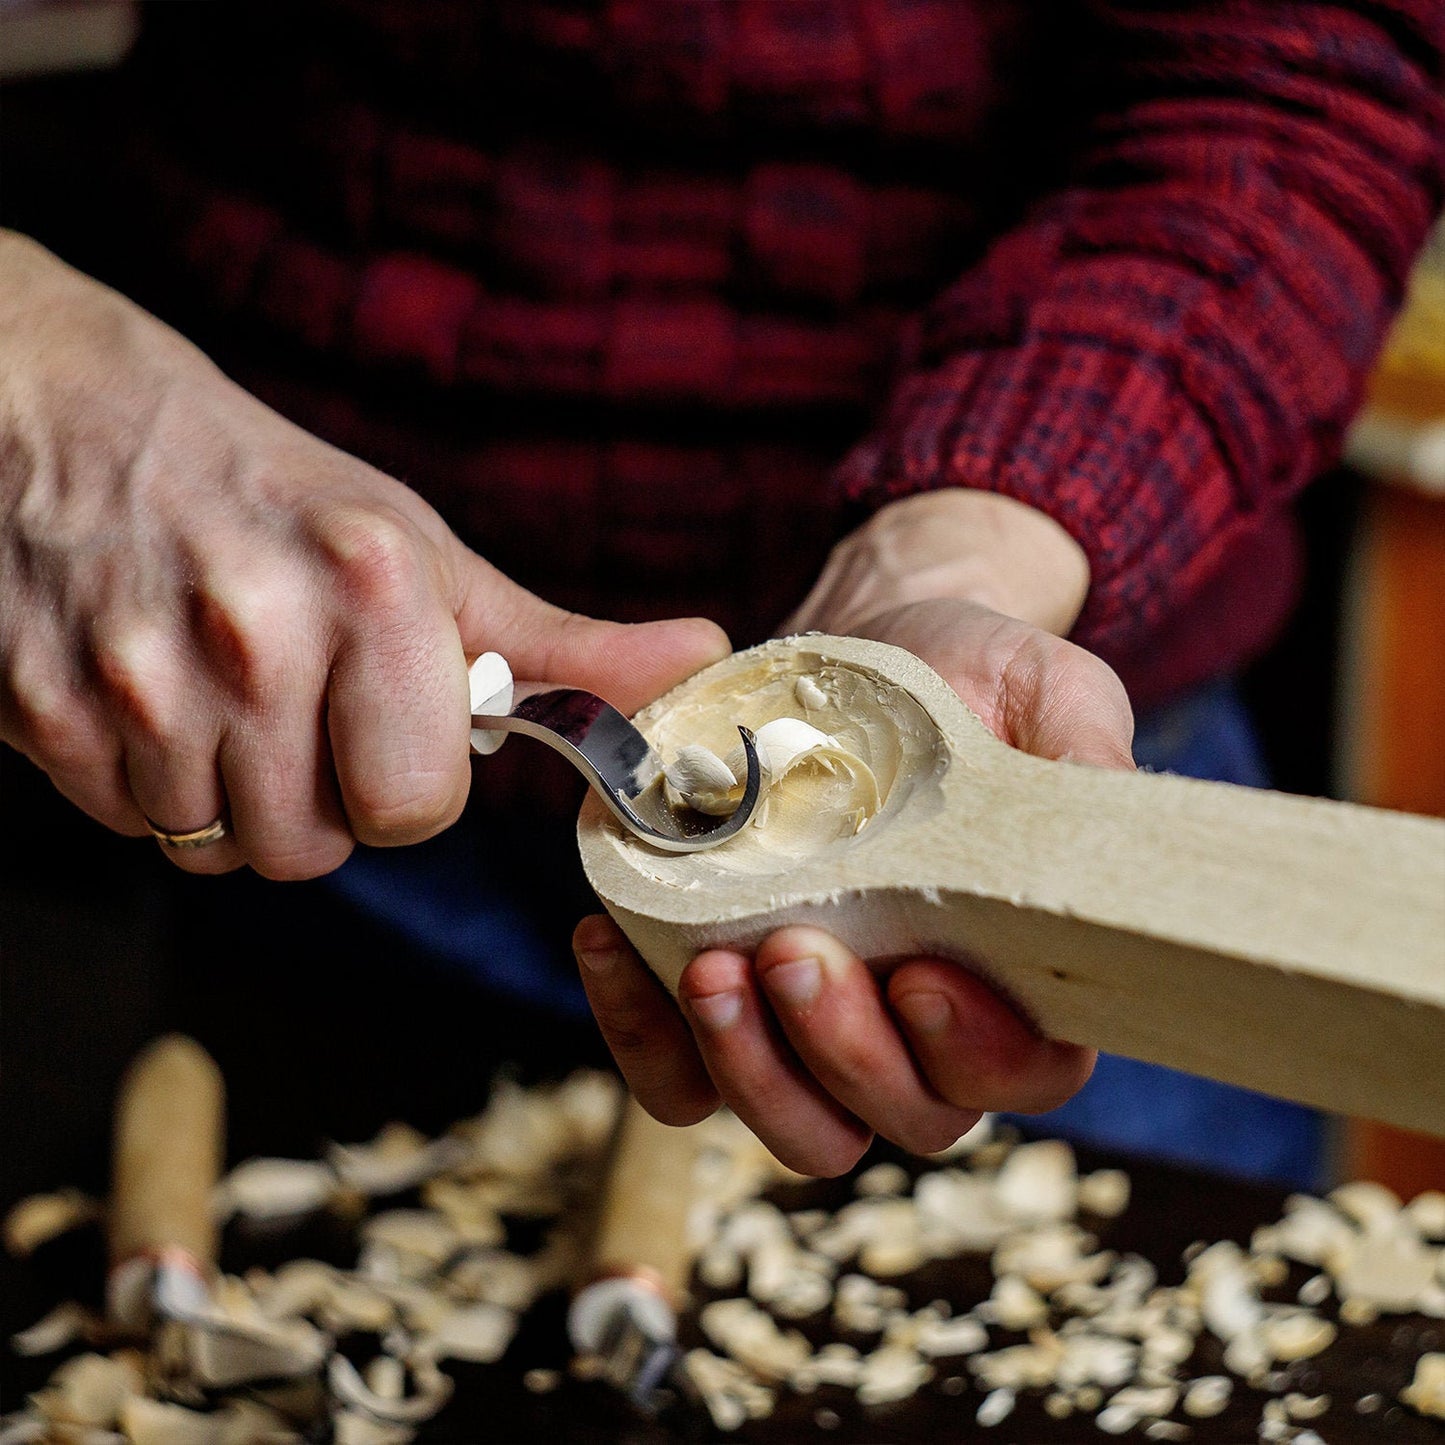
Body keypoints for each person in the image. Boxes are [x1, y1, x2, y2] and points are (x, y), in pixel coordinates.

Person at [2, 2, 1440, 1186]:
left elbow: (1314, 80)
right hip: (272, 698)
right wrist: (41, 384)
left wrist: (948, 560)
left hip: (1016, 753)